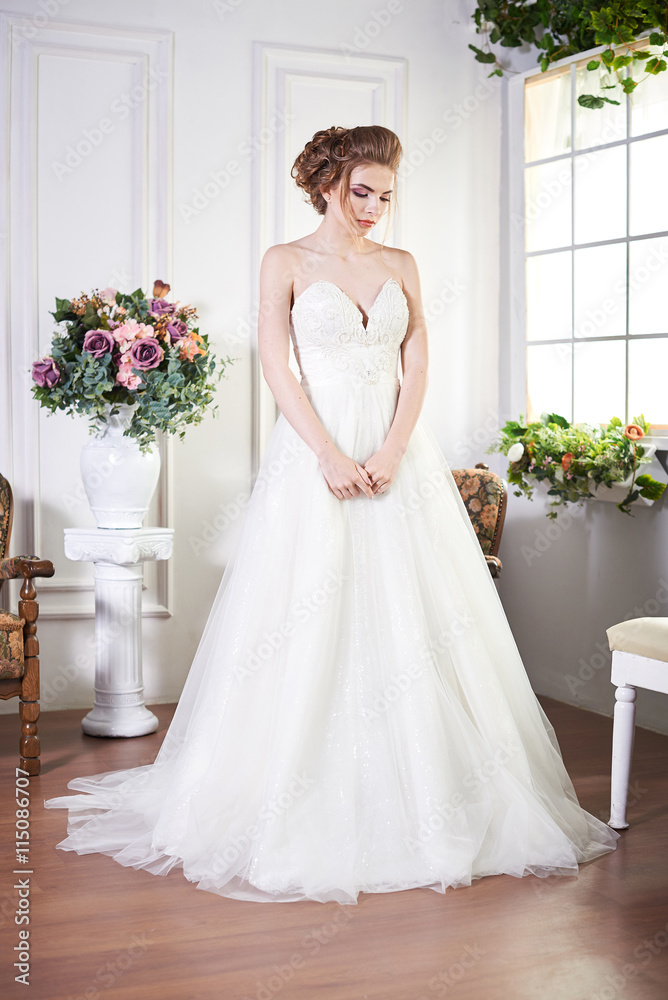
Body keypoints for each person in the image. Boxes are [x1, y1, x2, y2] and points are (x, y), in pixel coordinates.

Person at [44, 124, 619, 905]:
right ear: (325, 184)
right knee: (305, 613)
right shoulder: (285, 261)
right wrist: (326, 454)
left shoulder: (401, 264)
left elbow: (417, 359)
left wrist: (393, 447)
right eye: (361, 192)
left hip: (397, 455)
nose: (374, 208)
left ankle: (433, 791)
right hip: (315, 454)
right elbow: (277, 366)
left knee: (418, 615)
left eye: (386, 195)